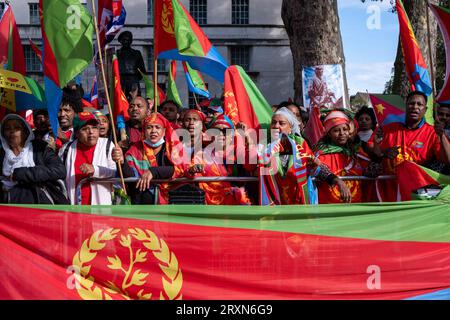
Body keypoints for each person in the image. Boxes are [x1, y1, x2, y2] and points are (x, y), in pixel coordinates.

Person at [259, 107, 351, 204]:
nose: (276, 126)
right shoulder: (263, 146)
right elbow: (250, 168)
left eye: (281, 123)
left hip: (299, 203)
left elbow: (316, 168)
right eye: (273, 123)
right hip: (274, 204)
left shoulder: (300, 145)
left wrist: (337, 181)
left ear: (290, 128)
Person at [375, 91, 450, 201]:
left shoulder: (433, 133)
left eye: (419, 104)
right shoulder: (388, 129)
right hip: (388, 192)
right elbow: (373, 153)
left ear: (425, 110)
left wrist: (442, 136)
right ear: (406, 106)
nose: (415, 107)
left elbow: (447, 160)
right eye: (411, 103)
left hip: (414, 196)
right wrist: (383, 153)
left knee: (406, 166)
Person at [0, 114, 68, 204]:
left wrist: (22, 174)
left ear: (25, 132)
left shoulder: (39, 148)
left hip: (38, 202)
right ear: (3, 134)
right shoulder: (1, 154)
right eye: (7, 129)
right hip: (7, 204)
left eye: (16, 128)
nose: (12, 131)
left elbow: (59, 170)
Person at [113, 113, 177, 204]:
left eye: (157, 127)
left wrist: (153, 171)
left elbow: (179, 170)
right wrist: (122, 162)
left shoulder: (172, 148)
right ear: (143, 130)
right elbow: (129, 176)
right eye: (149, 127)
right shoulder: (135, 149)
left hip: (169, 202)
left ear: (164, 131)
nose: (153, 131)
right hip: (139, 202)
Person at [314, 110, 376, 204]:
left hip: (356, 209)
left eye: (345, 129)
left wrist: (379, 155)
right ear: (329, 133)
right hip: (329, 211)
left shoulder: (356, 153)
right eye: (336, 130)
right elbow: (318, 170)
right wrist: (338, 181)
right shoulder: (321, 154)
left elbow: (369, 170)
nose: (342, 133)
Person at [60, 112, 118, 205]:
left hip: (101, 209)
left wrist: (95, 170)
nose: (91, 132)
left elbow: (116, 173)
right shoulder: (66, 149)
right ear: (77, 133)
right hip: (74, 208)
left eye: (94, 127)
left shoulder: (107, 145)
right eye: (85, 129)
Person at [116, 31, 146, 100]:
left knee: (134, 100)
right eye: (124, 40)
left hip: (133, 80)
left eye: (128, 40)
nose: (126, 42)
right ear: (120, 41)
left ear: (131, 41)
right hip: (120, 80)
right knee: (120, 100)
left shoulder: (137, 53)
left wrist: (134, 79)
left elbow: (142, 70)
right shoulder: (116, 53)